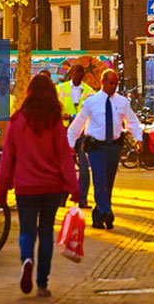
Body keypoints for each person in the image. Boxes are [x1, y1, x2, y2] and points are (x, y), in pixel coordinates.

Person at [0, 75, 80, 297]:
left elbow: (7, 158)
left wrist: (1, 190)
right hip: (52, 188)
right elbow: (64, 158)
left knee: (26, 231)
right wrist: (74, 188)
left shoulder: (16, 122)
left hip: (25, 187)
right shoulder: (55, 122)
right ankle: (42, 284)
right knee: (45, 233)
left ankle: (27, 260)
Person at [67, 69, 143, 229]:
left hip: (113, 147)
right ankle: (107, 212)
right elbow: (78, 124)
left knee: (108, 182)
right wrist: (70, 144)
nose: (114, 86)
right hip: (96, 147)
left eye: (116, 83)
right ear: (103, 82)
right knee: (100, 180)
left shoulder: (122, 102)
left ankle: (98, 216)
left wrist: (138, 138)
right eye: (111, 83)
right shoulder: (91, 102)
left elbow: (132, 121)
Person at [58, 64, 95, 209]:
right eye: (76, 71)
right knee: (64, 167)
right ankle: (62, 197)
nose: (78, 74)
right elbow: (55, 109)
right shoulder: (60, 89)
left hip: (83, 133)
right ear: (71, 73)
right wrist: (65, 116)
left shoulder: (89, 91)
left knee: (85, 168)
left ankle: (82, 199)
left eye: (81, 72)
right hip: (64, 131)